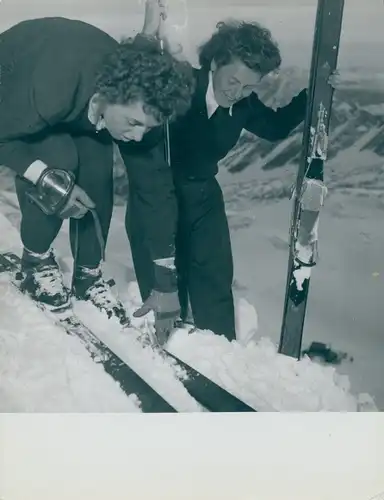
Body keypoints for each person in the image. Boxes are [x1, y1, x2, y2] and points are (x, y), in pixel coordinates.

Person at [130, 17, 342, 342]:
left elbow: (274, 127)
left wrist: (317, 92)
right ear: (215, 63)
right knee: (166, 277)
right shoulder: (180, 85)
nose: (237, 92)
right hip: (159, 193)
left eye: (248, 87)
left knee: (214, 275)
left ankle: (219, 349)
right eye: (233, 81)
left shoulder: (242, 102)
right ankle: (163, 344)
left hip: (202, 193)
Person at [0, 14, 195, 336]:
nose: (137, 136)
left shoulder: (142, 109)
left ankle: (88, 274)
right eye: (133, 123)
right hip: (16, 79)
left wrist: (166, 281)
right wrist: (45, 176)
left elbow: (156, 193)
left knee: (96, 174)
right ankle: (35, 261)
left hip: (78, 95)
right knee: (59, 161)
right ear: (112, 94)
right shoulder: (50, 89)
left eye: (148, 127)